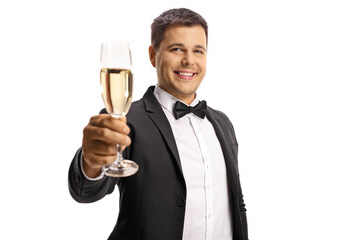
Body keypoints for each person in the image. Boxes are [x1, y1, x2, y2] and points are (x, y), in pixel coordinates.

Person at [68, 8, 248, 240]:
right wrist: (90, 162)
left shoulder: (223, 123)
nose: (189, 60)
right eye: (177, 49)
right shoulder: (126, 119)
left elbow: (235, 202)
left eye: (198, 51)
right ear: (153, 55)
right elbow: (86, 191)